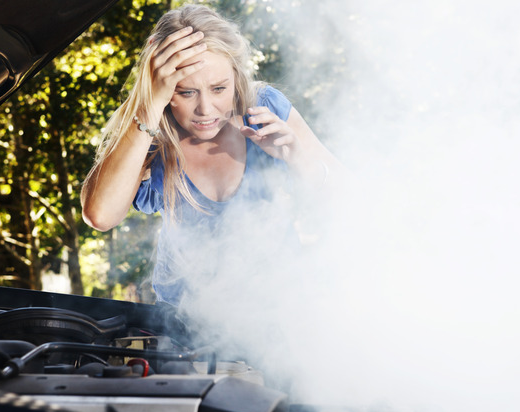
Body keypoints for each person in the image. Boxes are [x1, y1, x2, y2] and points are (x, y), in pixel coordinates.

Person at [82, 4, 345, 307]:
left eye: (219, 88)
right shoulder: (150, 134)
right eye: (186, 92)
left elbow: (352, 201)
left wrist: (298, 159)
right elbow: (99, 215)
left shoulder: (266, 108)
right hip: (183, 332)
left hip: (282, 320)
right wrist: (149, 107)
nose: (205, 110)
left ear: (236, 75)